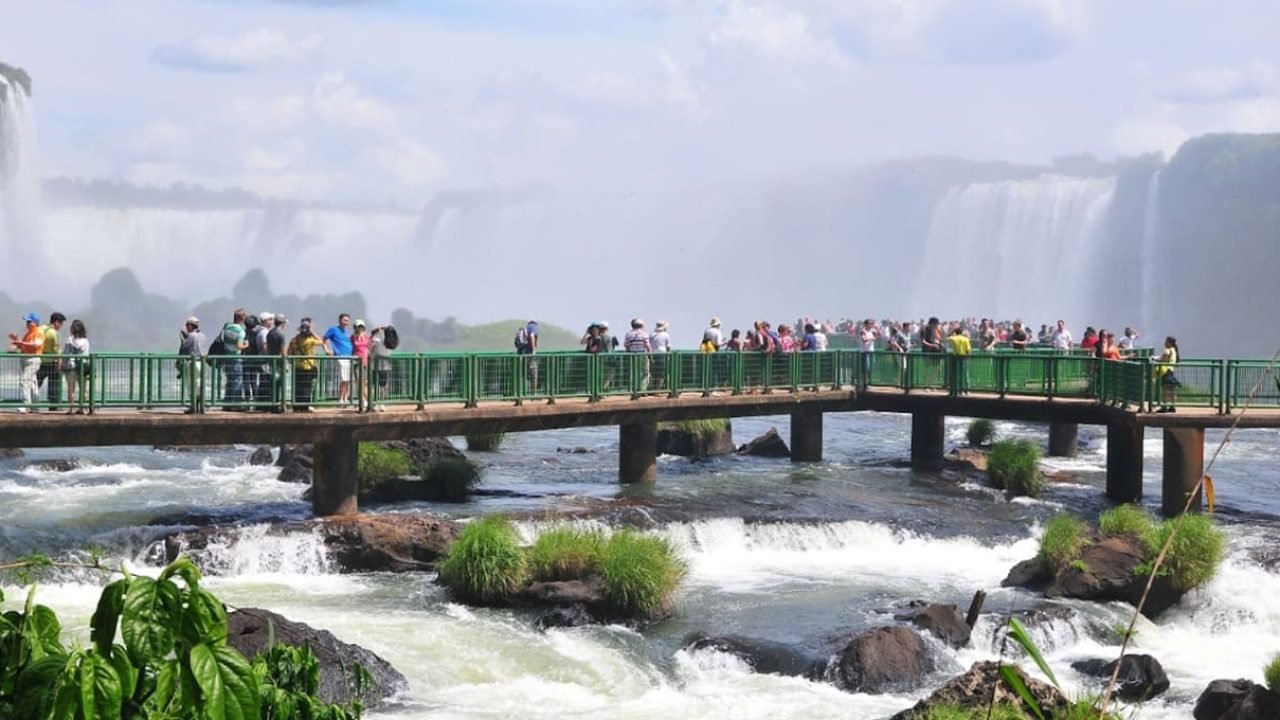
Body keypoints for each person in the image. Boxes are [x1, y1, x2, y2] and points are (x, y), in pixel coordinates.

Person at [8, 313, 45, 413]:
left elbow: (36, 345)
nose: (27, 323)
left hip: (33, 359)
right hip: (26, 359)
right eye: (27, 321)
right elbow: (23, 346)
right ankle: (35, 407)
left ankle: (26, 405)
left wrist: (21, 343)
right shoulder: (28, 333)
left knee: (24, 381)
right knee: (32, 383)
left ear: (35, 323)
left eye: (29, 322)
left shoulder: (39, 332)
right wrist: (16, 340)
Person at [289, 320, 328, 411]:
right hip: (307, 367)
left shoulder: (294, 340)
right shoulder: (309, 341)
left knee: (297, 386)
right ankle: (305, 406)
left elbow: (289, 352)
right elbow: (322, 342)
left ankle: (296, 406)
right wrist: (313, 332)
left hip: (297, 366)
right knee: (306, 387)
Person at [217, 309, 249, 410]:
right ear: (242, 318)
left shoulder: (227, 327)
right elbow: (239, 345)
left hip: (227, 357)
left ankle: (227, 404)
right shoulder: (240, 331)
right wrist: (246, 344)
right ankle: (236, 404)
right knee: (237, 381)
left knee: (230, 381)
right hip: (236, 358)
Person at [36, 312, 66, 410]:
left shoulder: (40, 328)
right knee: (54, 384)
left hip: (40, 360)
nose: (61, 326)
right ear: (56, 322)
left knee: (36, 382)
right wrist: (59, 362)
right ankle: (54, 406)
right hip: (52, 362)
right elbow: (56, 349)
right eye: (61, 324)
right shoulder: (54, 333)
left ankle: (31, 402)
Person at [177, 316, 207, 413]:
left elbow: (184, 349)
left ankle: (193, 407)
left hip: (192, 363)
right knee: (199, 385)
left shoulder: (191, 336)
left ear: (190, 325)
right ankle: (201, 407)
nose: (186, 327)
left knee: (191, 385)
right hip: (201, 363)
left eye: (187, 325)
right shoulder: (202, 335)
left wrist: (183, 338)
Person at [323, 313, 354, 405]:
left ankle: (346, 398)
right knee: (344, 378)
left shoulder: (347, 332)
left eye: (347, 321)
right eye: (344, 320)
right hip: (341, 356)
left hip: (350, 357)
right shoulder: (334, 329)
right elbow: (324, 339)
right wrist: (326, 350)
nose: (346, 323)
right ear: (339, 320)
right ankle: (341, 399)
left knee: (348, 379)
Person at [61, 319, 90, 414]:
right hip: (83, 367)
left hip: (71, 367)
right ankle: (82, 408)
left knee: (71, 388)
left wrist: (62, 364)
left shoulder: (70, 340)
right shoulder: (86, 341)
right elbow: (86, 354)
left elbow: (66, 354)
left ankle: (71, 408)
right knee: (83, 389)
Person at [265, 315, 288, 411]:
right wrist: (286, 361)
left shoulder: (270, 333)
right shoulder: (281, 335)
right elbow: (283, 351)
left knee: (273, 384)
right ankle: (281, 405)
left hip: (271, 361)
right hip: (279, 362)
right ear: (282, 323)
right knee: (281, 384)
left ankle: (273, 404)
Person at [368, 324, 392, 412]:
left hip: (379, 365)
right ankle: (378, 403)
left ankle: (379, 403)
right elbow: (370, 341)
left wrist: (377, 330)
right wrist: (378, 330)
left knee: (381, 385)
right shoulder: (386, 341)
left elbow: (371, 339)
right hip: (379, 365)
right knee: (380, 385)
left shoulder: (385, 340)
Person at [1154, 336, 1180, 413]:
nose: (1165, 343)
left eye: (1166, 342)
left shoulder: (1168, 350)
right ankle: (1173, 407)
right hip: (1171, 371)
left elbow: (1163, 359)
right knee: (1172, 391)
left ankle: (1164, 407)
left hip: (1166, 371)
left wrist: (1156, 359)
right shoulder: (1174, 351)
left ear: (1170, 343)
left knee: (1165, 390)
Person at [947, 326, 971, 393]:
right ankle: (966, 389)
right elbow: (968, 350)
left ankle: (956, 389)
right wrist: (969, 357)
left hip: (955, 358)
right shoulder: (966, 339)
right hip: (964, 358)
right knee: (965, 374)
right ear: (962, 332)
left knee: (956, 374)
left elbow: (947, 337)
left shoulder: (953, 339)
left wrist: (952, 331)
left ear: (955, 332)